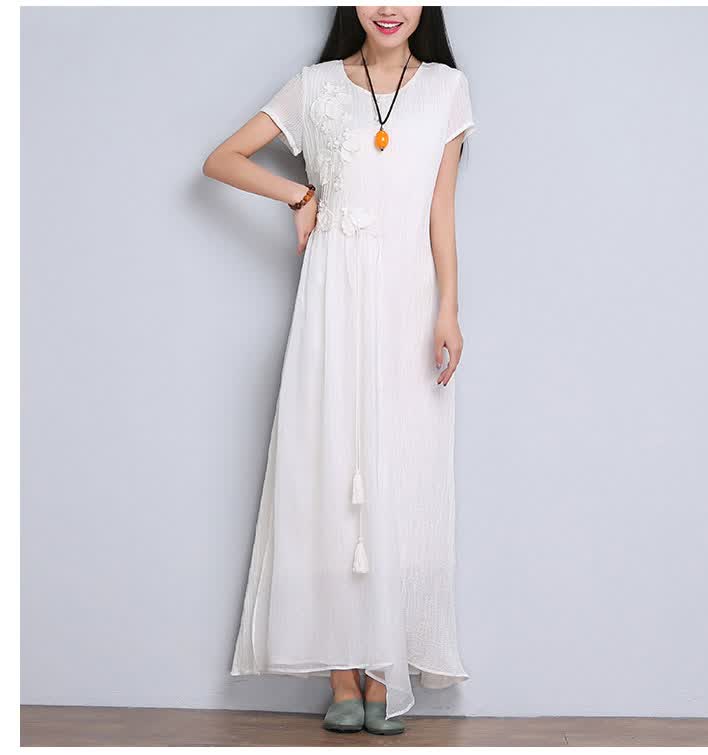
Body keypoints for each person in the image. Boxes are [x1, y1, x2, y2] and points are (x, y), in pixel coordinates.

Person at [202, 5, 476, 736]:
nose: (388, 7)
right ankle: (341, 675)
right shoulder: (315, 85)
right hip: (332, 299)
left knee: (400, 471)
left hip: (408, 304)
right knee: (328, 470)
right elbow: (222, 159)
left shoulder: (446, 88)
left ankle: (384, 668)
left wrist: (448, 309)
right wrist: (300, 194)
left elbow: (441, 210)